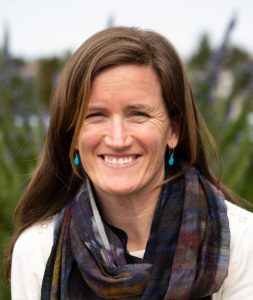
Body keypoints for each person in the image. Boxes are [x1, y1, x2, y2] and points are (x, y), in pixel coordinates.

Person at [4, 26, 253, 300]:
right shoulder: (37, 251)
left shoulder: (242, 243)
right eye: (96, 115)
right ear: (72, 134)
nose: (118, 139)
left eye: (138, 114)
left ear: (174, 131)